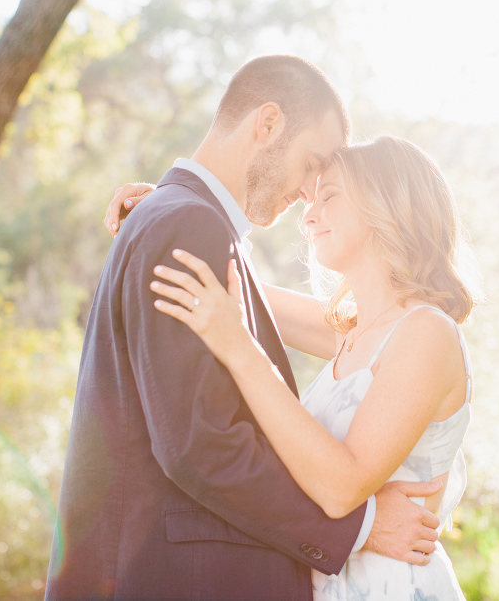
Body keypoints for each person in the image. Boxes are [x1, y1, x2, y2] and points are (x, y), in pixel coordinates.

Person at [46, 56, 444, 601]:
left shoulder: (183, 220)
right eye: (312, 166)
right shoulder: (186, 222)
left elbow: (358, 333)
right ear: (268, 123)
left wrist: (169, 199)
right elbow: (198, 444)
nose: (309, 194)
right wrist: (361, 528)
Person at [112, 135, 478, 600]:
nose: (308, 215)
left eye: (329, 197)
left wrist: (240, 348)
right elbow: (239, 285)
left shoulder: (426, 333)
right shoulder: (358, 334)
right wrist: (169, 214)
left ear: (388, 204)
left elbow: (343, 485)